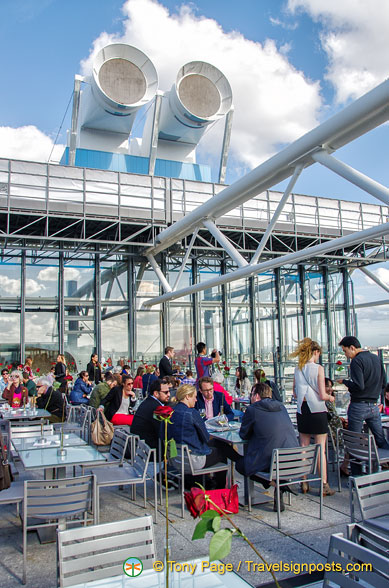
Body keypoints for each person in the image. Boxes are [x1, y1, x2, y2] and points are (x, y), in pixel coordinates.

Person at [236, 383, 299, 512]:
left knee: (242, 465)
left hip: (271, 460)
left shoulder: (252, 410)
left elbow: (244, 434)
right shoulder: (282, 407)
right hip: (293, 459)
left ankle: (276, 484)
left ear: (257, 396)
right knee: (267, 458)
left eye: (251, 395)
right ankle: (280, 485)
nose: (250, 398)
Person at [167, 384, 238, 488]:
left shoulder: (170, 412)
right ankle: (220, 487)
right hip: (193, 460)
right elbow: (205, 437)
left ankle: (240, 462)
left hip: (176, 458)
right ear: (187, 397)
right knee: (222, 451)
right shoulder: (191, 413)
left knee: (219, 444)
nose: (196, 400)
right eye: (194, 397)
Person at [290, 338, 335, 496]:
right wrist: (330, 398)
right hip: (317, 410)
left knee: (303, 446)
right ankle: (323, 484)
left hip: (302, 410)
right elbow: (322, 395)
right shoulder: (318, 369)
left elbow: (295, 392)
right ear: (315, 352)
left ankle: (303, 482)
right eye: (318, 354)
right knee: (320, 448)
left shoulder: (298, 369)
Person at [337, 336, 389, 455]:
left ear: (352, 348)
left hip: (358, 405)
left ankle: (357, 471)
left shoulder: (356, 361)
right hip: (374, 406)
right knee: (380, 439)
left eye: (345, 351)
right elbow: (383, 383)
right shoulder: (376, 358)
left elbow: (359, 386)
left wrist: (345, 382)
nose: (346, 355)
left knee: (354, 441)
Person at [131, 379, 171, 455]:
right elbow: (162, 432)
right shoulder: (156, 408)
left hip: (140, 447)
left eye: (169, 391)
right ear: (156, 393)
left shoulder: (148, 402)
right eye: (166, 392)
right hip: (149, 452)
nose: (169, 394)